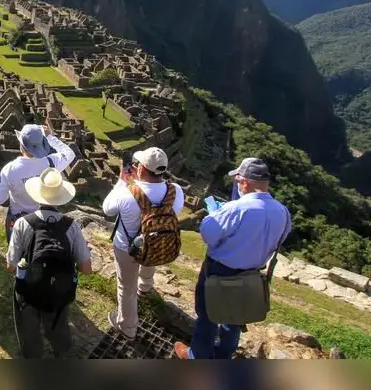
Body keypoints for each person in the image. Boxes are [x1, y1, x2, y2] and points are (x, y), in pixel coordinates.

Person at [173, 157, 291, 360]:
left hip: (220, 270)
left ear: (244, 182)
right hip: (252, 273)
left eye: (237, 180)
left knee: (208, 314)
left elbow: (208, 234)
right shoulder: (283, 212)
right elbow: (281, 238)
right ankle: (223, 354)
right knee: (235, 316)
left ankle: (198, 356)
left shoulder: (236, 209)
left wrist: (215, 215)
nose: (236, 184)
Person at [7, 167, 93, 358]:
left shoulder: (23, 223)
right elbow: (86, 269)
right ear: (60, 198)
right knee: (58, 324)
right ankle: (61, 352)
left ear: (38, 195)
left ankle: (32, 354)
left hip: (30, 289)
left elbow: (10, 265)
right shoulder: (72, 227)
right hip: (59, 290)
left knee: (28, 327)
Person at [101, 147, 184, 339]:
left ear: (141, 169)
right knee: (151, 252)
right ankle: (145, 287)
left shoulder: (127, 193)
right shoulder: (175, 191)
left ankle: (128, 327)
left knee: (125, 288)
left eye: (138, 164)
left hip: (127, 248)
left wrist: (122, 180)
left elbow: (107, 209)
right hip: (158, 243)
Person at [0, 123, 76, 242]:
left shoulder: (9, 169)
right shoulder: (51, 163)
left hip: (18, 219)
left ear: (22, 145)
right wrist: (50, 137)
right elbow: (70, 154)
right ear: (42, 144)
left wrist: (11, 194)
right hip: (43, 221)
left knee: (16, 256)